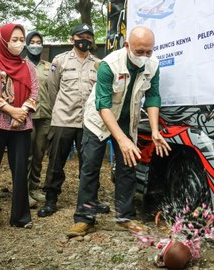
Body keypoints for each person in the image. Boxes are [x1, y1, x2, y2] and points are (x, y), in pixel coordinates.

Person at [66, 26, 171, 237]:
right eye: (139, 51)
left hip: (126, 120)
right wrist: (121, 140)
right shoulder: (109, 65)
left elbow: (152, 97)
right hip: (98, 120)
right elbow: (102, 105)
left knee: (128, 167)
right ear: (127, 46)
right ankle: (84, 218)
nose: (144, 56)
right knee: (90, 167)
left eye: (148, 51)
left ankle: (126, 217)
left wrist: (154, 130)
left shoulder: (153, 65)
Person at [37, 23, 109, 217]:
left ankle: (91, 199)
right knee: (55, 161)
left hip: (89, 122)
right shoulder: (59, 61)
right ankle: (51, 199)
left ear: (92, 40)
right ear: (72, 39)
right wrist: (59, 110)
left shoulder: (99, 64)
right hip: (63, 119)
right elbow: (53, 89)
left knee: (90, 162)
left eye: (88, 36)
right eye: (80, 36)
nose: (84, 40)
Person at [0, 23, 38, 233]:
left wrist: (20, 114)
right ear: (3, 41)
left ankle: (20, 217)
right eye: (14, 40)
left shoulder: (28, 66)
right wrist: (12, 111)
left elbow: (35, 94)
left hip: (21, 125)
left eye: (22, 40)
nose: (19, 44)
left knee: (20, 172)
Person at [24, 30, 51, 208]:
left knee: (39, 154)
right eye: (32, 42)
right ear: (26, 45)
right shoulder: (20, 64)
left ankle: (34, 188)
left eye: (38, 42)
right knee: (27, 154)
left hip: (46, 115)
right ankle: (23, 191)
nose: (35, 45)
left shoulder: (49, 66)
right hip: (27, 115)